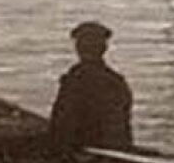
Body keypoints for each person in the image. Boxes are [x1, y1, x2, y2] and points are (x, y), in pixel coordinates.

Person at [48, 20, 134, 151]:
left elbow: (64, 120)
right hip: (106, 149)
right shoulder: (115, 81)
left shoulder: (77, 79)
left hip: (85, 151)